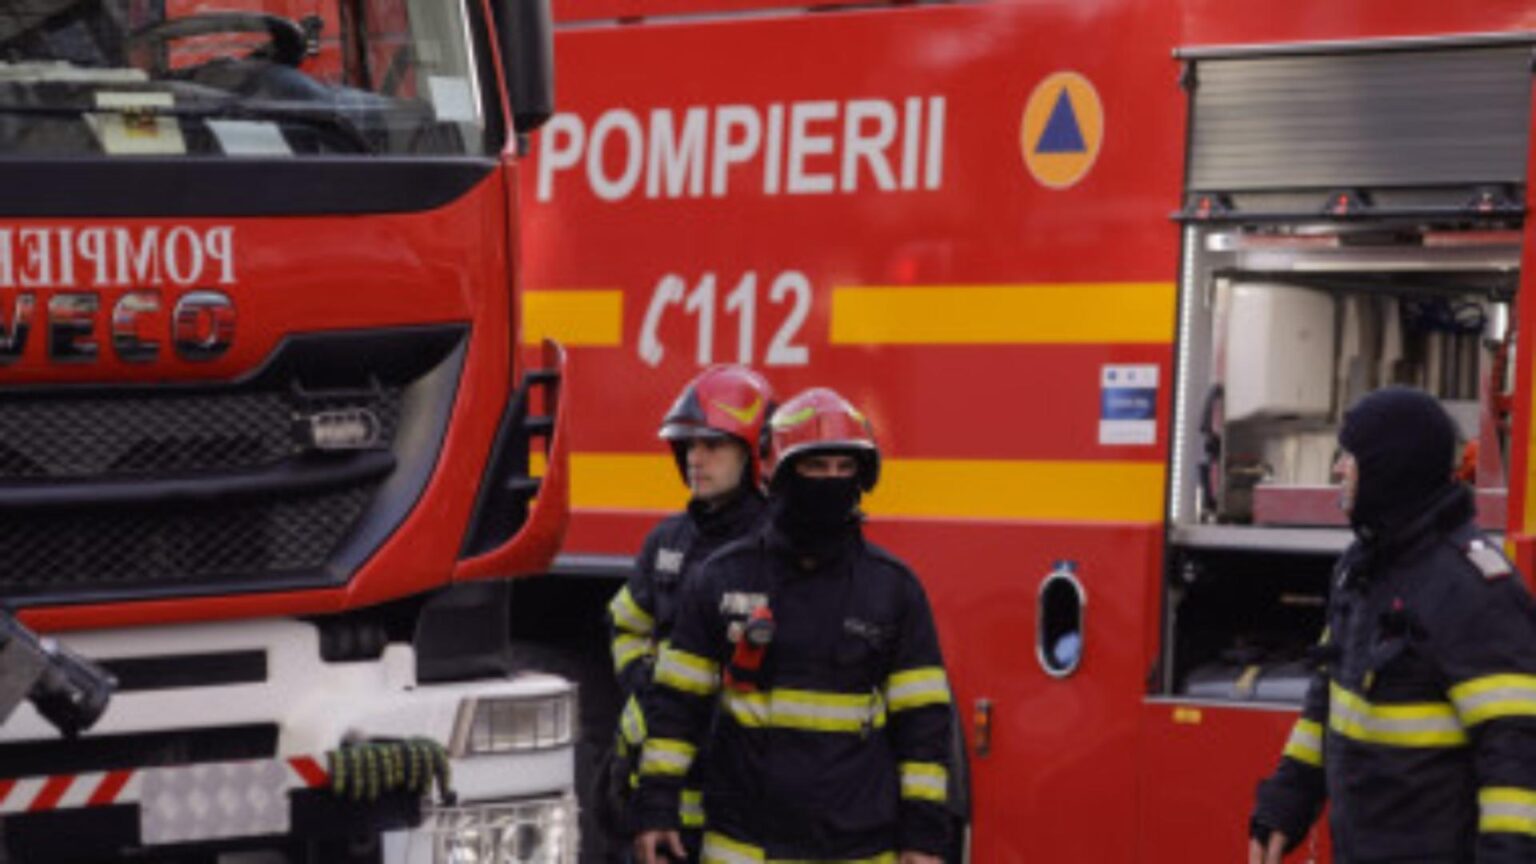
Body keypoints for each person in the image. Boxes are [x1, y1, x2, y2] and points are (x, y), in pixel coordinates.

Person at [633, 387, 954, 864]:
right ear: (781, 476)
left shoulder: (893, 588)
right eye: (816, 467)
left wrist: (924, 839)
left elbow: (923, 728)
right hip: (744, 844)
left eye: (845, 469)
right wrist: (656, 808)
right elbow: (677, 708)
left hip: (858, 847)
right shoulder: (724, 576)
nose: (832, 480)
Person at [1249, 386, 1536, 864]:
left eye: (1351, 455)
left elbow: (1517, 747)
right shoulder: (1360, 570)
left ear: (1388, 468)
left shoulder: (1472, 589)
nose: (1339, 468)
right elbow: (1326, 700)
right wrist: (1286, 803)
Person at [604, 364, 776, 859]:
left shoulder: (773, 550)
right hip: (656, 788)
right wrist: (645, 683)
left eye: (712, 445)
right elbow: (625, 622)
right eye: (688, 447)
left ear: (755, 452)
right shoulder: (666, 541)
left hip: (735, 798)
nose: (696, 459)